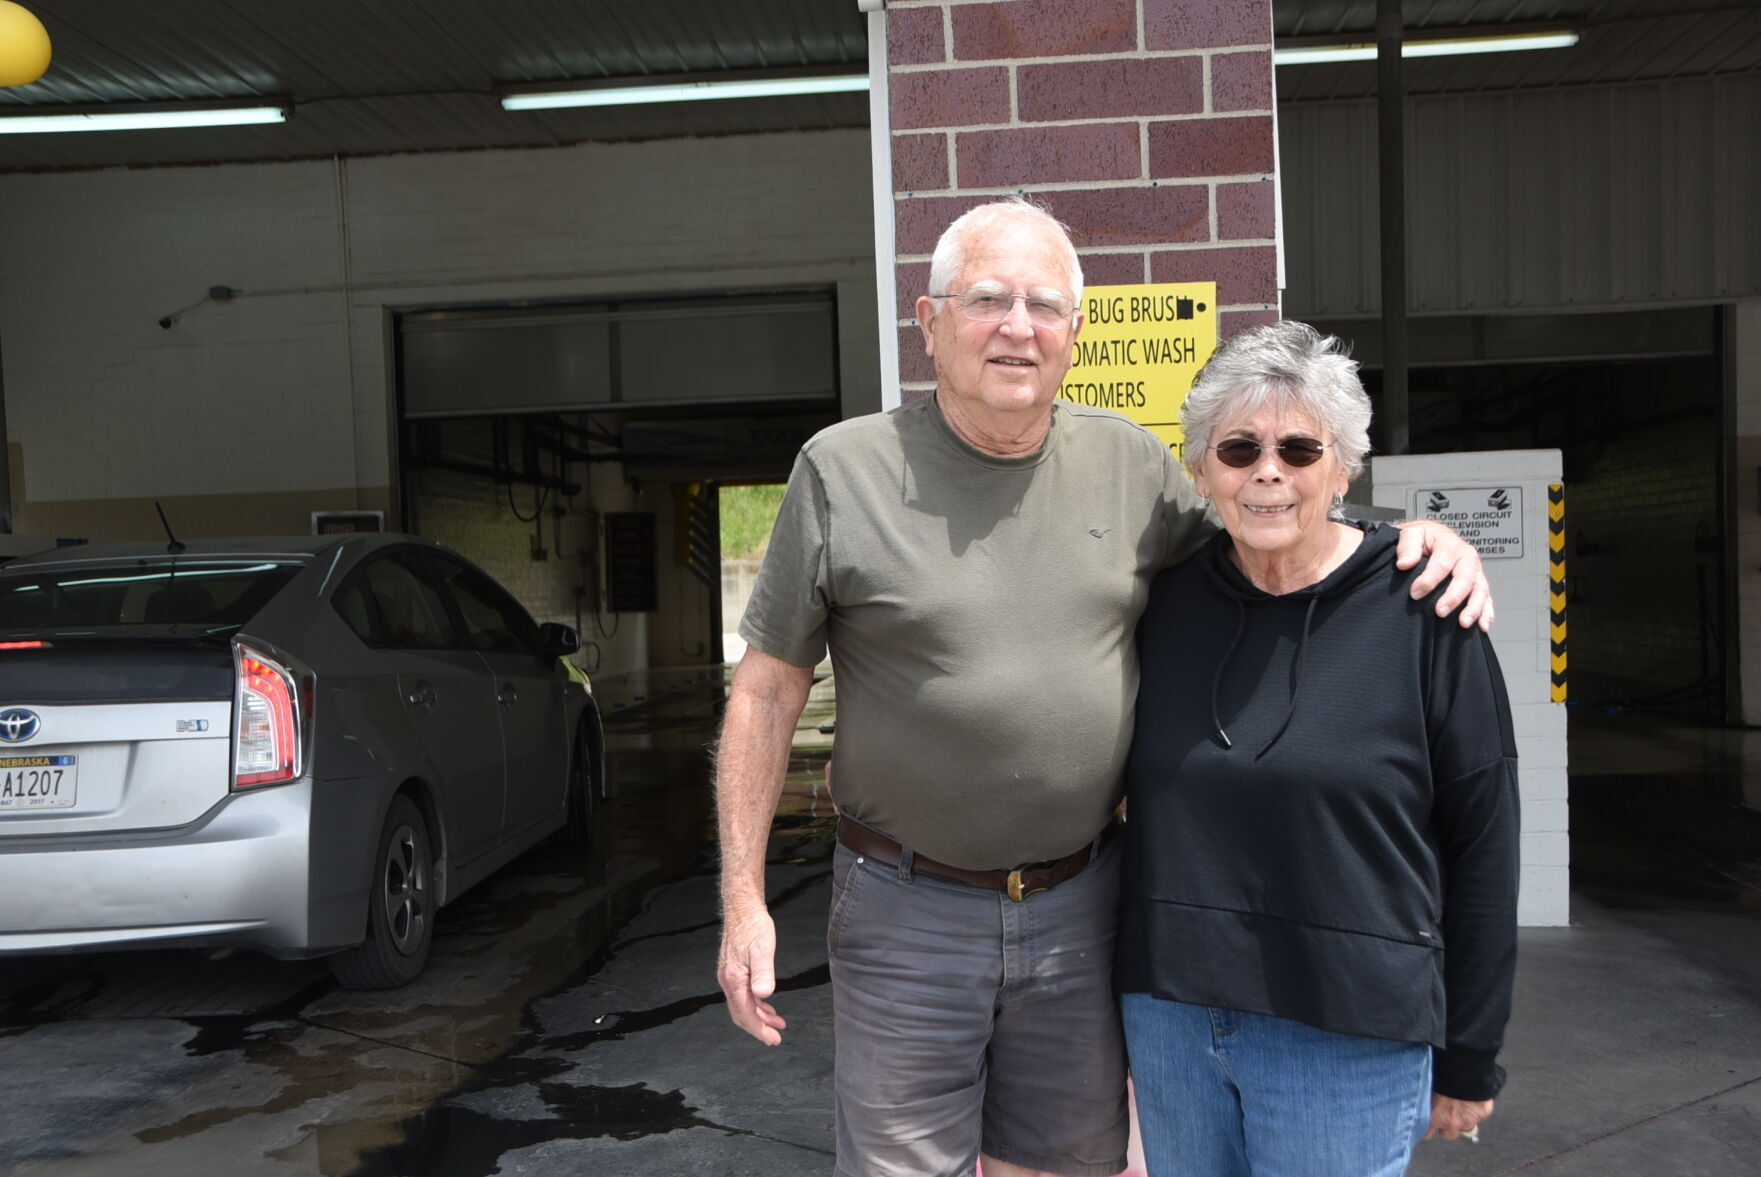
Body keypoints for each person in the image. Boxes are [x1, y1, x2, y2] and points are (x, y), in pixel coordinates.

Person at [715, 198, 1492, 1177]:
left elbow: (1270, 519)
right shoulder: (842, 471)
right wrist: (745, 901)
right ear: (930, 320)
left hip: (1080, 905)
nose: (1017, 326)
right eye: (988, 299)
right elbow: (767, 692)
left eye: (1044, 305)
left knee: (1063, 1166)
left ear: (1075, 332)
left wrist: (1402, 538)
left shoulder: (1127, 463)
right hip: (907, 907)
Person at [1116, 320, 1519, 1177]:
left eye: (1300, 449)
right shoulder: (1159, 606)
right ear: (1200, 469)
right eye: (1238, 447)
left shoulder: (1424, 609)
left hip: (1345, 1035)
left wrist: (1470, 1051)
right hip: (1172, 1022)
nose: (1268, 470)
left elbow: (1484, 839)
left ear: (1342, 467)